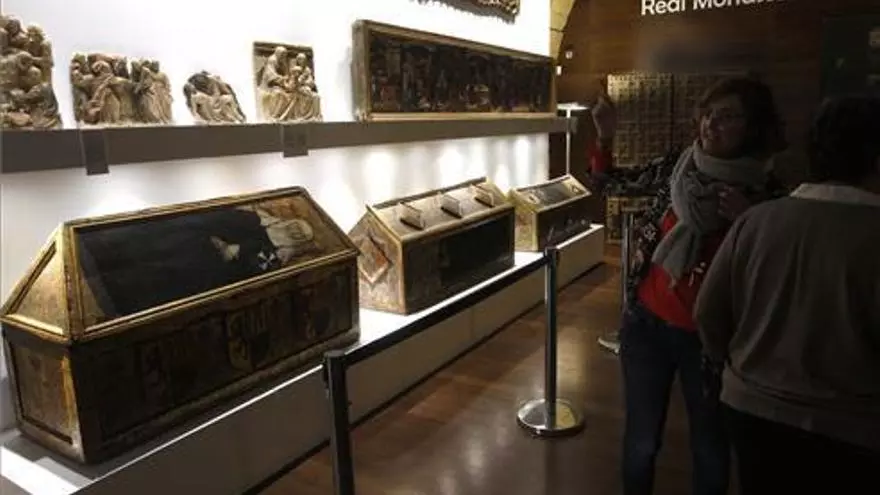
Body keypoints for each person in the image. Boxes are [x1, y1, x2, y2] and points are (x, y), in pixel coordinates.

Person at [590, 77, 787, 495]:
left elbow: (777, 271)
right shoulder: (679, 166)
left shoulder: (768, 194)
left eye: (728, 116)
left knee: (710, 446)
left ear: (753, 125)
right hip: (646, 324)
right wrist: (605, 136)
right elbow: (611, 183)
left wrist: (749, 220)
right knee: (641, 441)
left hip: (712, 340)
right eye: (708, 114)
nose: (711, 124)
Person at [695, 95, 880, 494]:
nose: (711, 124)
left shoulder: (756, 218)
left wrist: (735, 367)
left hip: (751, 404)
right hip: (851, 424)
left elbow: (709, 312)